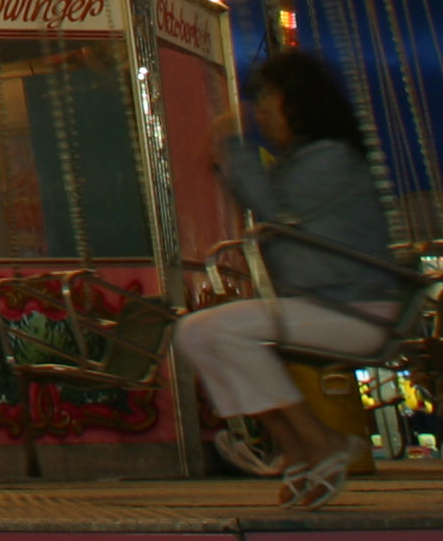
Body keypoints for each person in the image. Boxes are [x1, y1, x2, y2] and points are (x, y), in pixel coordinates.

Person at [172, 50, 404, 511]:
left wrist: (232, 144)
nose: (259, 114)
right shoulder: (308, 160)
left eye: (266, 102)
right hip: (324, 304)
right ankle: (296, 447)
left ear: (294, 103)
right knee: (198, 333)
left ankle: (320, 441)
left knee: (210, 330)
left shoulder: (329, 158)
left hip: (355, 308)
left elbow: (274, 206)